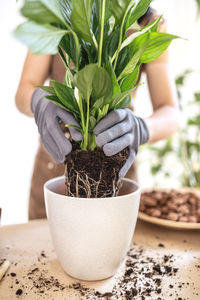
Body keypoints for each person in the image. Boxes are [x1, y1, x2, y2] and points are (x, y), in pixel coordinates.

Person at [15, 8, 179, 220]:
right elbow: (23, 91)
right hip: (55, 166)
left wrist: (141, 129)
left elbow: (170, 111)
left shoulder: (149, 23)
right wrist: (40, 100)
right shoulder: (55, 10)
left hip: (115, 167)